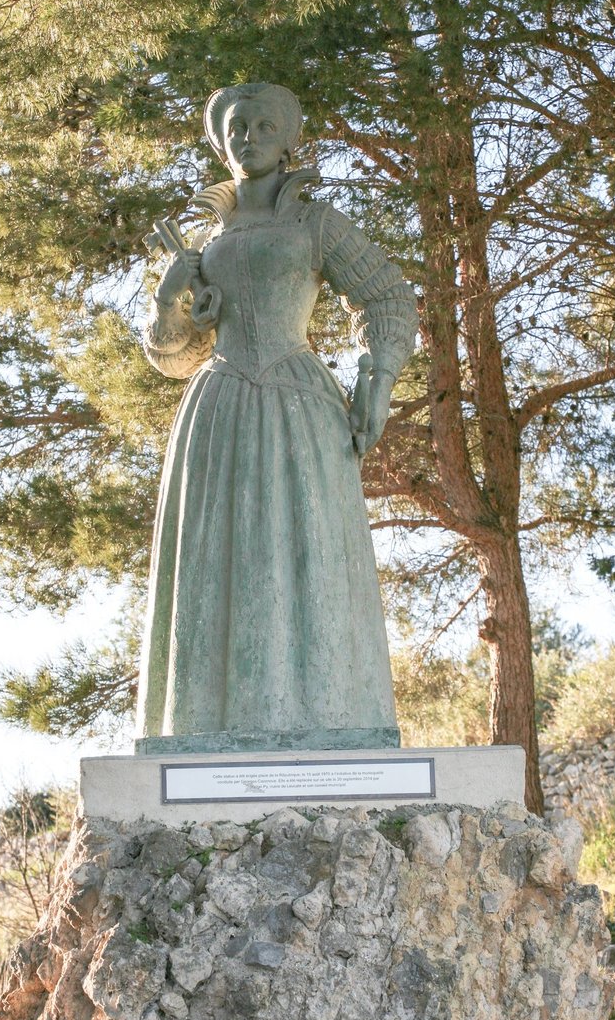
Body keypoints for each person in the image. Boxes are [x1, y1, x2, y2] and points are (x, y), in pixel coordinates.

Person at [135, 83, 418, 752]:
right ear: (220, 139)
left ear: (288, 138)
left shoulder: (314, 224)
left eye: (265, 125)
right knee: (214, 557)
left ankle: (329, 717)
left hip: (300, 403)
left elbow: (387, 296)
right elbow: (171, 357)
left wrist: (376, 381)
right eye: (237, 125)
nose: (250, 135)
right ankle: (204, 727)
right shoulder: (203, 241)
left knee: (309, 550)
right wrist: (174, 300)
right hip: (219, 401)